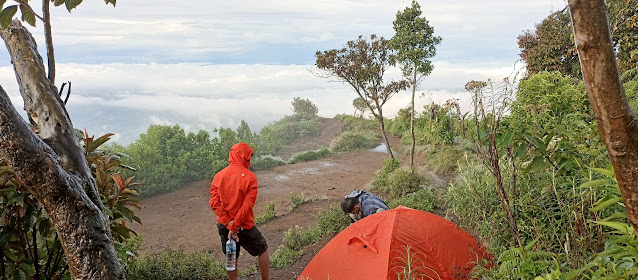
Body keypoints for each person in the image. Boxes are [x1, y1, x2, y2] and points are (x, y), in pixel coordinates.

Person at [210, 142, 269, 280]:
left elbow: (214, 203)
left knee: (231, 258)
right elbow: (247, 207)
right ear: (243, 156)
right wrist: (235, 226)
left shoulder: (218, 176)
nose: (250, 160)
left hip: (225, 226)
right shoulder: (250, 177)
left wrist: (230, 223)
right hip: (244, 226)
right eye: (248, 157)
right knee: (262, 249)